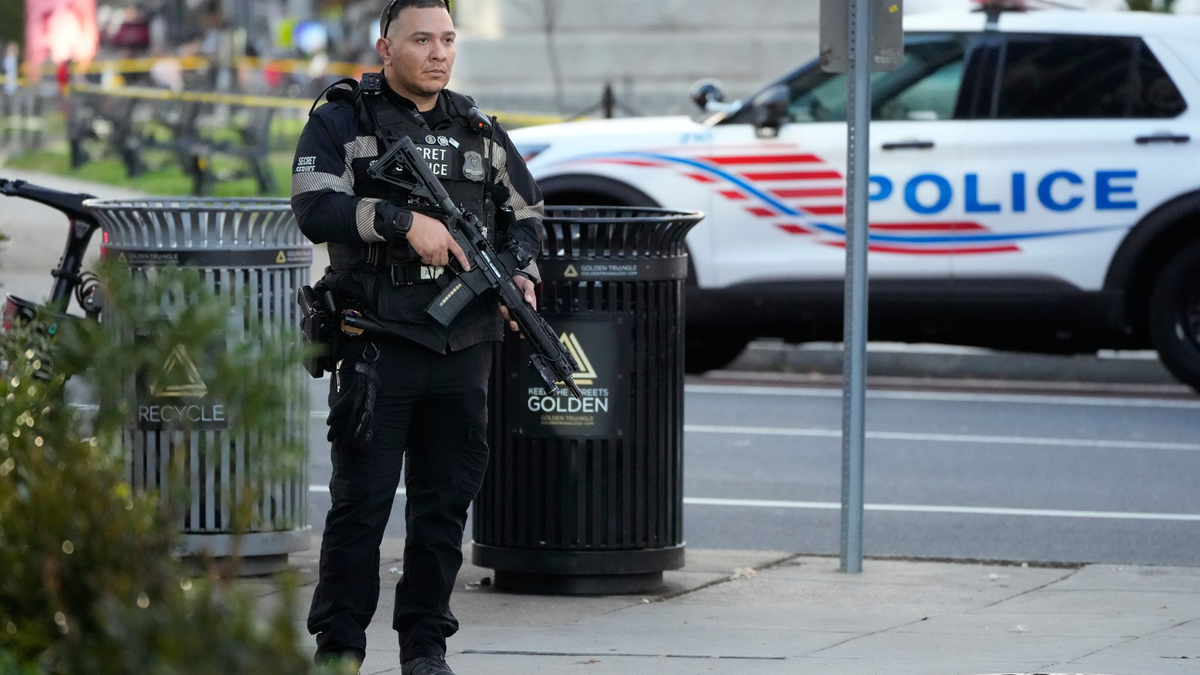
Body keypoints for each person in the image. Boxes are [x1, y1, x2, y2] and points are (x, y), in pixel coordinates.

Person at [290, 1, 544, 673]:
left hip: (464, 349)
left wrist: (520, 275)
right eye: (422, 39)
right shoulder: (343, 116)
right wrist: (402, 223)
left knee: (442, 510)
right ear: (385, 48)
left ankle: (425, 647)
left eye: (449, 40)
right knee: (360, 510)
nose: (438, 52)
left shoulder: (477, 128)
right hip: (377, 343)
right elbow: (314, 205)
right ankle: (340, 649)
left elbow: (527, 213)